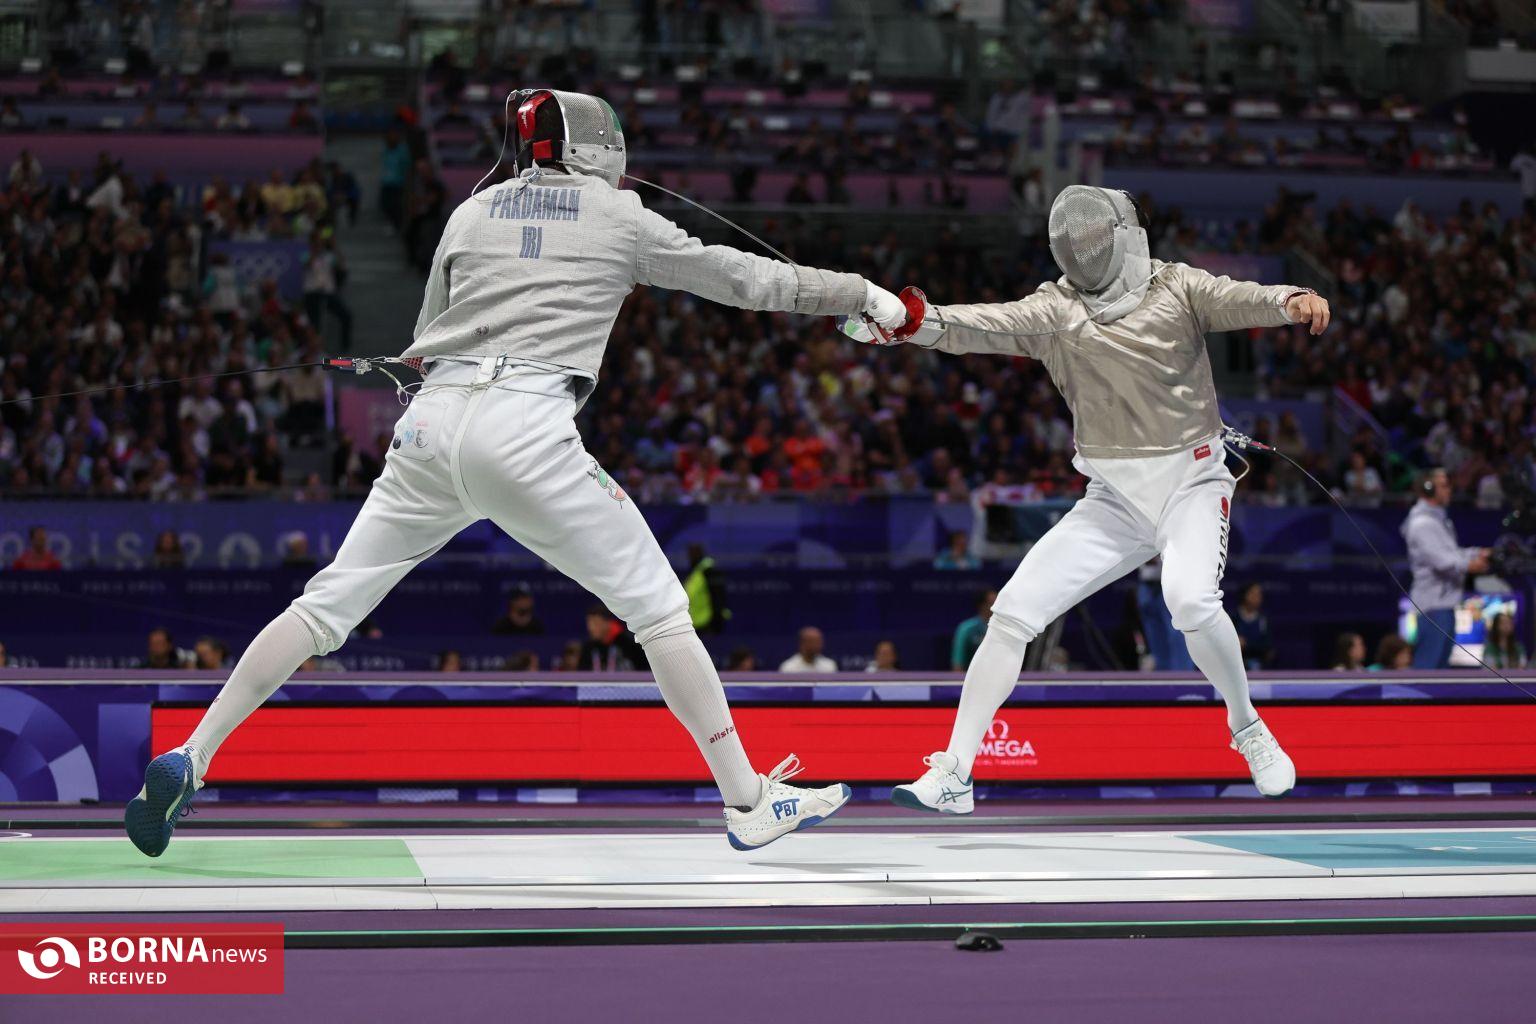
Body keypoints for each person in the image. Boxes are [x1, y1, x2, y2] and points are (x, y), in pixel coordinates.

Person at [129, 89, 903, 856]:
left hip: (430, 427)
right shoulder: (621, 216)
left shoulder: (470, 212)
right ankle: (748, 802)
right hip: (525, 427)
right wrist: (860, 293)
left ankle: (193, 753)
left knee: (324, 607)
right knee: (660, 610)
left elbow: (427, 334)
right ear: (598, 147)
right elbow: (747, 280)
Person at [848, 185, 1332, 810]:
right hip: (1113, 500)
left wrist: (1290, 298)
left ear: (1126, 236)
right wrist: (912, 323)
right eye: (1073, 240)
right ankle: (956, 773)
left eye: (1095, 237)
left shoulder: (1178, 286)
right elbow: (979, 324)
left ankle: (1248, 727)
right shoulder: (1057, 309)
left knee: (1189, 601)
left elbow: (1240, 297)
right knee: (1011, 614)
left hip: (1191, 484)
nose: (1083, 250)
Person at [1403, 468, 1489, 669]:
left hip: (1444, 605)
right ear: (1428, 489)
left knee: (1440, 672)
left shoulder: (1439, 520)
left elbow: (1452, 553)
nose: (1449, 490)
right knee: (1427, 671)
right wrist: (1470, 564)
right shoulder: (1421, 523)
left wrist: (1479, 553)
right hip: (1433, 607)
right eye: (1443, 486)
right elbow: (1441, 561)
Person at [578, 605, 646, 672]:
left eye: (595, 623)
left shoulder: (630, 643)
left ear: (608, 623)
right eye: (589, 623)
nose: (591, 628)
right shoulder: (588, 648)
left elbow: (645, 669)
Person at [682, 542, 729, 632]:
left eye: (693, 553)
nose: (690, 556)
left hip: (707, 624)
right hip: (696, 623)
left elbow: (717, 598)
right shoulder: (696, 572)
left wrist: (716, 623)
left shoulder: (709, 571)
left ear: (699, 553)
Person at [951, 589, 996, 671]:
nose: (997, 607)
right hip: (970, 676)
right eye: (993, 603)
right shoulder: (966, 629)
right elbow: (958, 663)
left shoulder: (1003, 629)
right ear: (982, 605)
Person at [1232, 582, 1273, 670]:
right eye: (1253, 594)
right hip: (1235, 663)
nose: (1258, 597)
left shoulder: (1263, 619)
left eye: (1259, 594)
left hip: (1257, 663)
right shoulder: (1232, 617)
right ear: (1244, 595)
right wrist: (1234, 642)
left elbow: (1267, 646)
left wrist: (1246, 644)